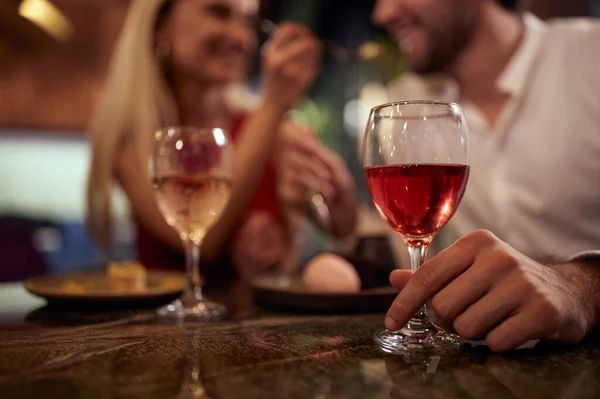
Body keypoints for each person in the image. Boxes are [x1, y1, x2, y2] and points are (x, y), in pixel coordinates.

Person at [368, 0, 600, 351]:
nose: (382, 14)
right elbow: (414, 254)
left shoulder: (591, 58)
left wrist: (584, 286)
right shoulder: (403, 103)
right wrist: (340, 224)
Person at [86, 0, 327, 281]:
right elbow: (204, 233)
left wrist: (283, 241)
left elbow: (337, 228)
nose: (241, 38)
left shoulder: (270, 126)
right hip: (163, 322)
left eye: (248, 22)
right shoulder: (130, 138)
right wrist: (273, 104)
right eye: (218, 12)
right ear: (160, 27)